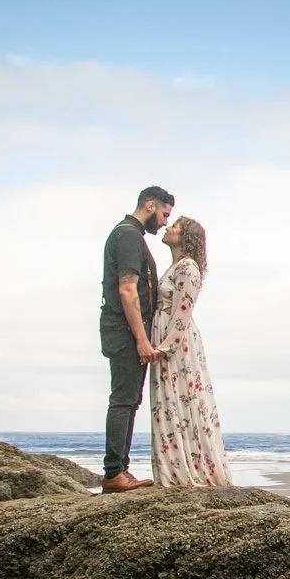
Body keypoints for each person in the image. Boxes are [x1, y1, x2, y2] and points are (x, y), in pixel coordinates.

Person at [100, 186, 174, 492]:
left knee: (129, 400)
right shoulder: (129, 235)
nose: (165, 222)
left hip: (123, 330)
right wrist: (142, 340)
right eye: (164, 214)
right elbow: (127, 290)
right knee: (124, 400)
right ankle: (115, 471)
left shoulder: (130, 235)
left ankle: (119, 469)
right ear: (150, 204)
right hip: (125, 331)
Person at [149, 216, 232, 487]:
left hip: (176, 343)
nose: (168, 228)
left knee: (179, 398)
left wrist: (165, 348)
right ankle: (176, 466)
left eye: (175, 227)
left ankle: (187, 469)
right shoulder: (176, 266)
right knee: (170, 401)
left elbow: (184, 308)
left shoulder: (187, 267)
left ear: (185, 237)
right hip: (167, 337)